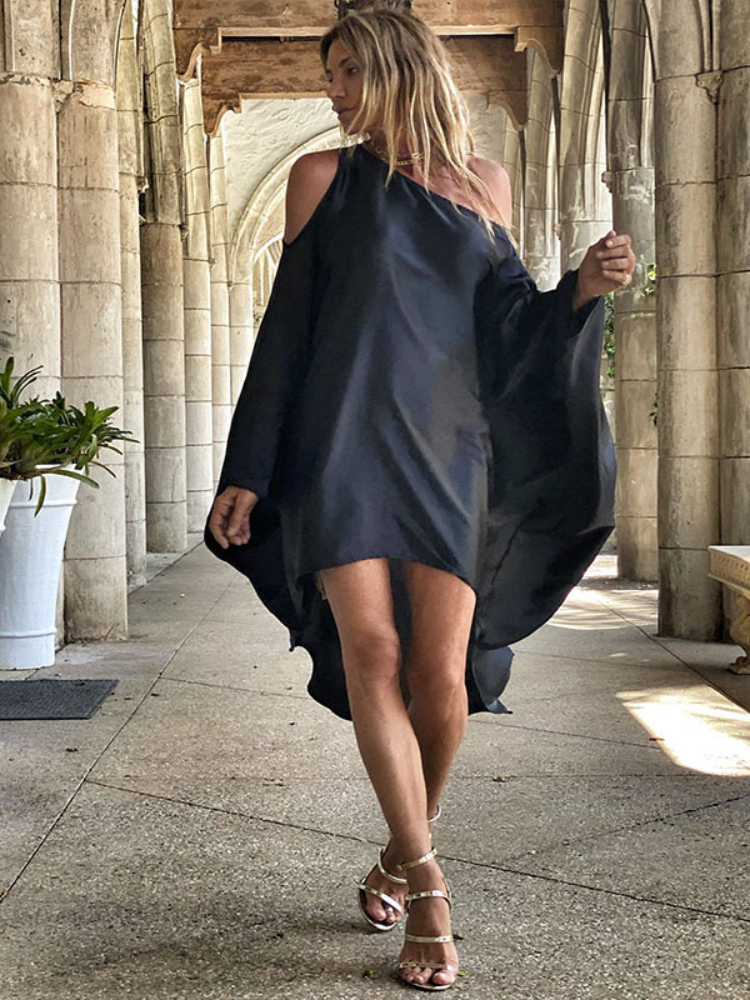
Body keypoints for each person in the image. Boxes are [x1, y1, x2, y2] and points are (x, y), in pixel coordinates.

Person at [205, 0, 635, 991]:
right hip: (341, 445)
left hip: (453, 453)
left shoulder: (486, 183)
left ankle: (397, 851)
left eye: (348, 71)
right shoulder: (322, 179)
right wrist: (248, 467)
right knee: (375, 650)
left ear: (400, 69)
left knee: (443, 673)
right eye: (330, 73)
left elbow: (509, 328)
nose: (333, 91)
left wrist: (580, 289)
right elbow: (288, 330)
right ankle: (430, 885)